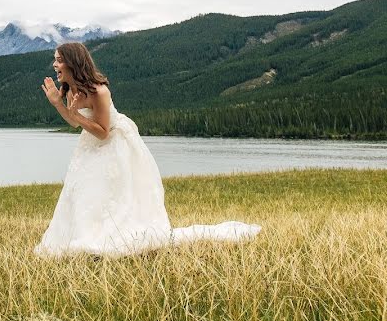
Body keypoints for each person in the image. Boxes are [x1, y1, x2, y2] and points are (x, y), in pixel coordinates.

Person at [35, 42, 259, 257]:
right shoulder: (70, 89)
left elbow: (103, 131)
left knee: (113, 193)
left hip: (115, 142)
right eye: (55, 60)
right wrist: (57, 103)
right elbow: (75, 123)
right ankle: (86, 237)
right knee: (84, 190)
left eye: (58, 60)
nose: (54, 65)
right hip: (90, 144)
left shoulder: (99, 91)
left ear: (73, 63)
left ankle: (110, 240)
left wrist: (74, 115)